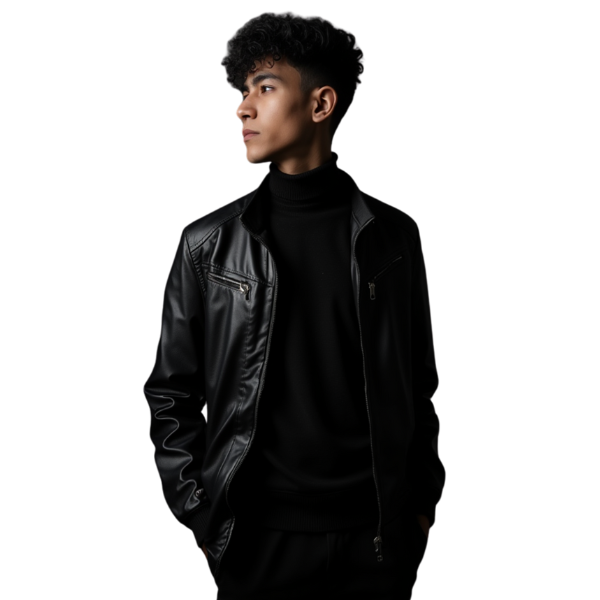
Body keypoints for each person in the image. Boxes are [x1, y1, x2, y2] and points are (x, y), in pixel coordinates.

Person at [143, 10, 444, 600]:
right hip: (255, 544)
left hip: (376, 543)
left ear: (321, 103)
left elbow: (422, 384)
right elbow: (170, 393)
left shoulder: (393, 239)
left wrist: (421, 511)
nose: (242, 109)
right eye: (243, 91)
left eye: (265, 87)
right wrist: (200, 516)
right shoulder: (207, 245)